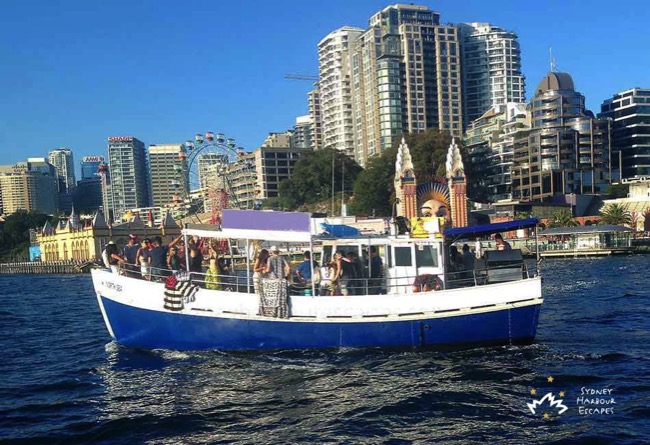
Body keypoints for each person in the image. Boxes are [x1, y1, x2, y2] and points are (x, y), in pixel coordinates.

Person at [260, 245, 291, 318]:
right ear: (278, 251)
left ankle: (270, 311)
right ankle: (282, 312)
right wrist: (287, 275)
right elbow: (288, 268)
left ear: (272, 252)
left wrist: (263, 272)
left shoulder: (270, 259)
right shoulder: (282, 258)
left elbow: (268, 270)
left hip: (273, 280)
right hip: (281, 279)